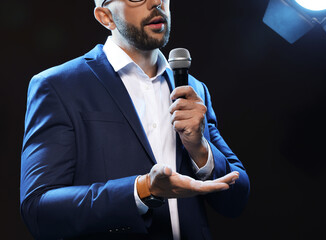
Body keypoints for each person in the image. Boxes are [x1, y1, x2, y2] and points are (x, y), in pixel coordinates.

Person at [20, 0, 250, 239]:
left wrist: (200, 149)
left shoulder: (194, 89)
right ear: (105, 16)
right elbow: (38, 209)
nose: (156, 2)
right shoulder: (59, 86)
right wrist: (143, 190)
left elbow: (236, 199)